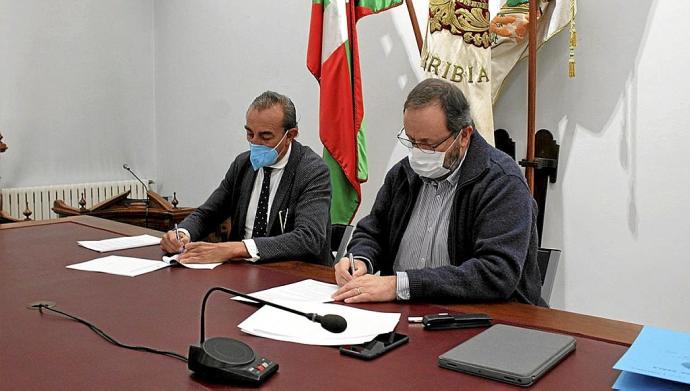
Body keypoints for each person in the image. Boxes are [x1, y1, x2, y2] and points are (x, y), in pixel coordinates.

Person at [332, 78, 544, 305]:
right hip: (403, 312)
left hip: (478, 318)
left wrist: (402, 285)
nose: (419, 153)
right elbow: (373, 231)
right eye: (412, 141)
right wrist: (360, 260)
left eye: (429, 145)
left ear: (464, 136)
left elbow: (495, 273)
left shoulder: (501, 182)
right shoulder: (404, 173)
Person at [160, 91, 332, 265]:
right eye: (250, 134)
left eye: (265, 136)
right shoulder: (243, 164)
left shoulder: (312, 171)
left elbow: (309, 238)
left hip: (293, 275)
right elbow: (208, 213)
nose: (255, 143)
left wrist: (236, 249)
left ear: (290, 135)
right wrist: (182, 233)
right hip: (242, 273)